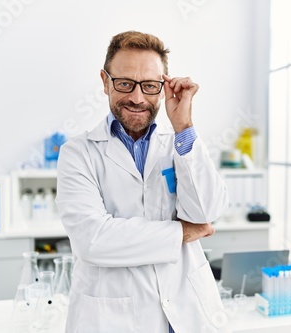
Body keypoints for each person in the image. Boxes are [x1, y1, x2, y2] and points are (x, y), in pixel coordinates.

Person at [56, 30, 231, 333]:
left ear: (163, 87)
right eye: (124, 83)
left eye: (149, 86)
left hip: (187, 314)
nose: (137, 98)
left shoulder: (179, 142)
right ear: (105, 81)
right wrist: (182, 232)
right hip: (113, 318)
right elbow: (93, 240)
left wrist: (184, 127)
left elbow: (206, 212)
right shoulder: (78, 153)